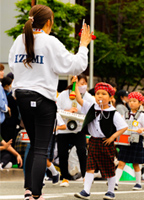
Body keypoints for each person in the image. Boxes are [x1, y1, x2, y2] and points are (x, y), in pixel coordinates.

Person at [8, 5, 92, 200]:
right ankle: (35, 194)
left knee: (34, 143)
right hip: (42, 98)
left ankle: (29, 189)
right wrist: (83, 46)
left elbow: (13, 65)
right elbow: (75, 65)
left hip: (21, 96)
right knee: (40, 147)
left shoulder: (18, 41)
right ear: (48, 22)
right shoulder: (49, 42)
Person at [74, 82, 128, 200]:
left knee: (108, 167)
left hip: (106, 142)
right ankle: (86, 191)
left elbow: (124, 127)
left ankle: (110, 191)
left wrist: (112, 138)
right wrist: (74, 84)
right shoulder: (92, 107)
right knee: (90, 166)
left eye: (104, 94)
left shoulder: (113, 113)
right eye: (98, 93)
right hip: (93, 141)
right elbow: (78, 98)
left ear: (110, 97)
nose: (100, 96)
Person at [56, 73, 89, 187]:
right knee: (62, 153)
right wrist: (67, 111)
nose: (83, 86)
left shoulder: (87, 96)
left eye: (85, 84)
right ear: (73, 83)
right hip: (64, 129)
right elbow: (56, 109)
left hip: (79, 129)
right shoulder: (63, 95)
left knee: (81, 151)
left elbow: (91, 109)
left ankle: (85, 176)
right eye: (81, 83)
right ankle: (65, 177)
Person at [115, 92, 144, 191]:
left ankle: (138, 183)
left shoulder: (142, 115)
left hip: (137, 141)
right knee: (121, 162)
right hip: (126, 141)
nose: (132, 103)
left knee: (136, 164)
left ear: (140, 103)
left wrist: (141, 130)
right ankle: (115, 182)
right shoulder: (125, 114)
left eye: (134, 101)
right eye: (130, 101)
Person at [1, 76, 20, 148]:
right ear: (6, 86)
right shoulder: (9, 96)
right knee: (9, 140)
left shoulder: (6, 94)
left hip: (7, 122)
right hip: (9, 122)